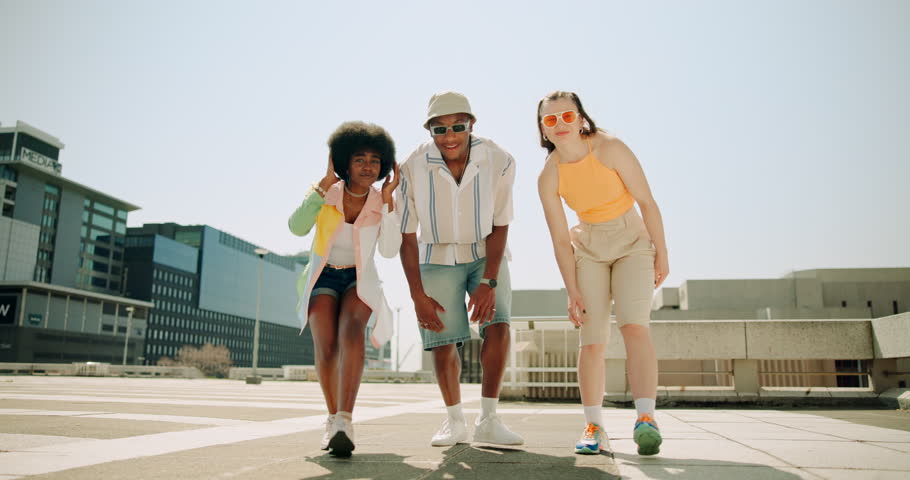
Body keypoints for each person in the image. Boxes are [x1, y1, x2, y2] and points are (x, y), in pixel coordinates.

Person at [535, 91, 669, 456]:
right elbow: (561, 240)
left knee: (633, 326)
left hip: (632, 242)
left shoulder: (610, 149)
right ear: (543, 131)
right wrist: (572, 290)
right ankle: (593, 425)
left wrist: (662, 254)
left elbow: (647, 202)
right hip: (588, 248)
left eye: (566, 116)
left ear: (581, 119)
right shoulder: (548, 176)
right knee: (591, 339)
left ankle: (646, 419)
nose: (560, 124)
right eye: (550, 120)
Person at [398, 91, 523, 447]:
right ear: (429, 130)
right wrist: (417, 295)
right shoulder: (412, 166)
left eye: (458, 126)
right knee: (442, 339)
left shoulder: (500, 160)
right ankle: (454, 422)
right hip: (435, 256)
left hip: (486, 252)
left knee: (498, 325)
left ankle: (489, 419)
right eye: (439, 129)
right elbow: (407, 235)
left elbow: (501, 223)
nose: (450, 136)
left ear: (471, 124)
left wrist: (489, 280)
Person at [288, 121, 400, 457]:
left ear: (384, 166)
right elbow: (296, 228)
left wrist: (391, 203)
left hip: (357, 279)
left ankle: (346, 420)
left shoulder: (382, 201)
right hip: (323, 278)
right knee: (326, 346)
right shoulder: (326, 193)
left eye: (375, 161)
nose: (368, 167)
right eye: (359, 159)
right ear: (344, 163)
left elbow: (390, 250)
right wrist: (322, 186)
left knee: (352, 333)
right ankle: (332, 419)